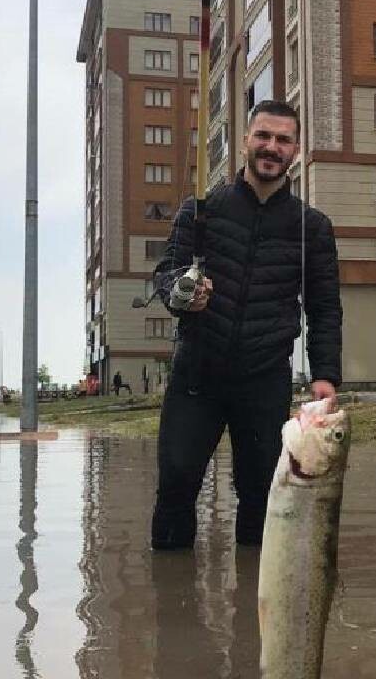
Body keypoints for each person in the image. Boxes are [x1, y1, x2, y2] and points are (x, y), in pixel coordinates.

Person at [150, 100, 343, 551]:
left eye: (282, 140)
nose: (271, 147)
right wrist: (179, 293)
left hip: (264, 379)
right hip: (196, 373)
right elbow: (166, 274)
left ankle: (253, 609)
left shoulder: (312, 228)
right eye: (263, 136)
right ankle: (170, 607)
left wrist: (325, 375)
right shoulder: (201, 211)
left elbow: (324, 307)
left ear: (295, 149)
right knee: (176, 483)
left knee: (261, 496)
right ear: (244, 142)